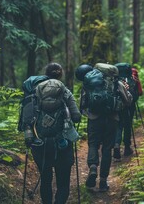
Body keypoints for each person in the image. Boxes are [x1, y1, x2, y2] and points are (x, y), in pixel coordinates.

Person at [27, 63, 81, 204]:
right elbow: (76, 117)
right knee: (63, 181)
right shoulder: (65, 92)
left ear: (46, 73)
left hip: (40, 143)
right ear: (60, 74)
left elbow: (26, 119)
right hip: (62, 143)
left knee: (46, 179)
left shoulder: (35, 91)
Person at [76, 63, 132, 192]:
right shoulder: (117, 83)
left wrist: (87, 113)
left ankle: (93, 167)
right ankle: (103, 181)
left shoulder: (89, 82)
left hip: (94, 119)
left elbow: (82, 103)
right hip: (112, 119)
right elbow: (128, 101)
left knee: (93, 144)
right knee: (107, 149)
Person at [113, 63, 143, 161]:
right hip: (130, 106)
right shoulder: (133, 79)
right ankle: (127, 147)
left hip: (118, 107)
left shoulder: (115, 81)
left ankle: (116, 145)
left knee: (118, 125)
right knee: (127, 125)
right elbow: (138, 93)